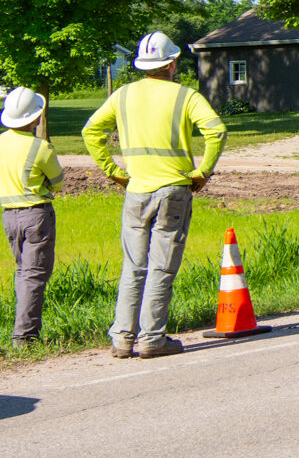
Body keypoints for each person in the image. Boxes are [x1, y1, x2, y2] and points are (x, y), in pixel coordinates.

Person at [85, 32, 227, 359]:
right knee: (161, 266)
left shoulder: (122, 96)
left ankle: (122, 337)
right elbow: (216, 131)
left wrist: (114, 171)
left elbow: (91, 132)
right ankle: (152, 338)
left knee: (133, 266)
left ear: (143, 65)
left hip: (136, 191)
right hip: (174, 192)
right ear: (172, 64)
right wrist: (203, 171)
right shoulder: (186, 97)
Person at [0, 87, 62, 345]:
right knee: (34, 275)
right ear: (35, 118)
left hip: (9, 216)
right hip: (36, 215)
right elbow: (58, 182)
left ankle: (24, 333)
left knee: (23, 273)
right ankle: (25, 337)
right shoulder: (41, 147)